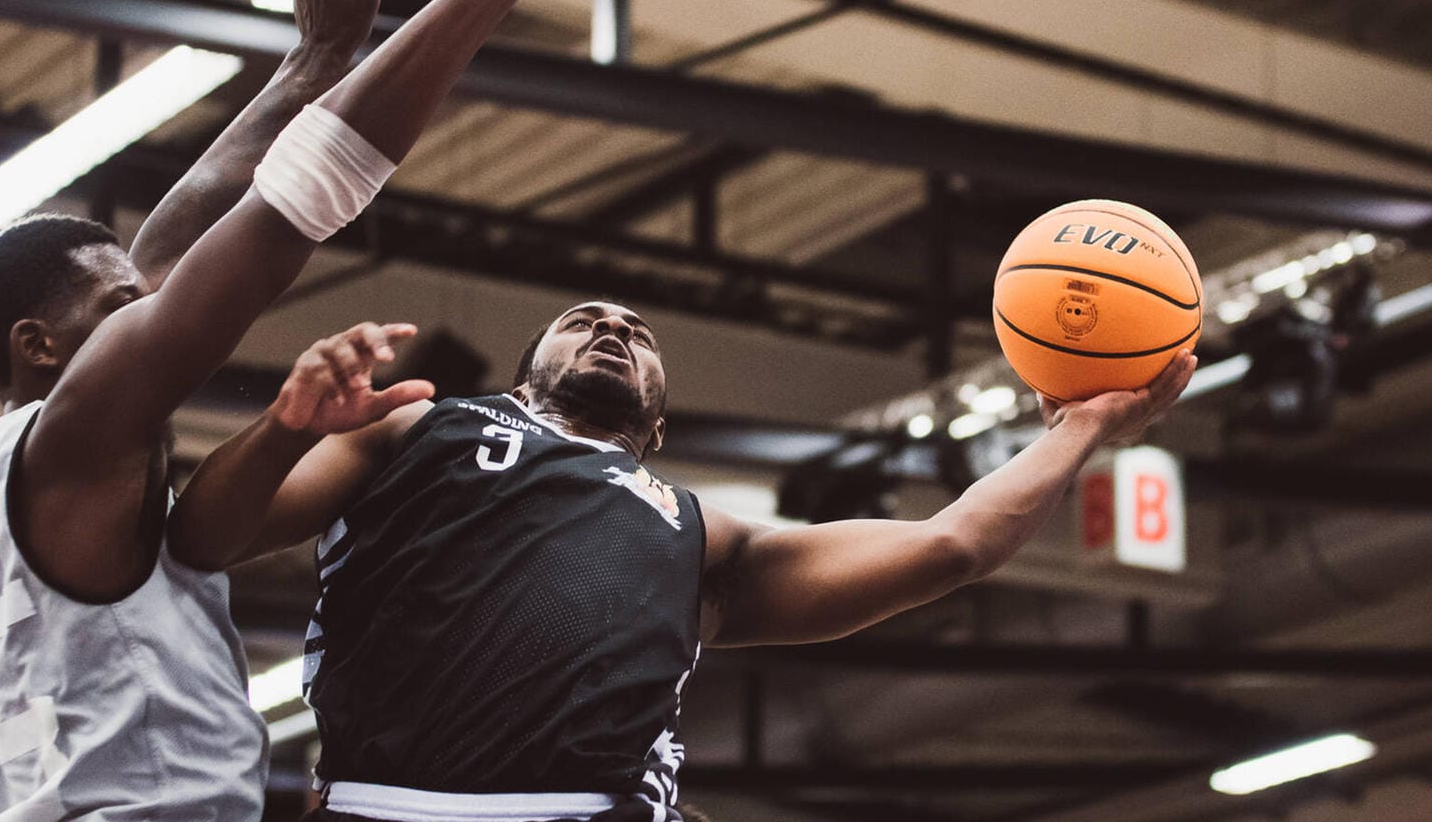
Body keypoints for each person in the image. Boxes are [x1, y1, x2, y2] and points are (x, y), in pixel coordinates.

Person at [0, 0, 640, 820]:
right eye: (116, 307)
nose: (146, 312)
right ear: (39, 344)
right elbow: (284, 212)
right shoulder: (73, 438)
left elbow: (183, 233)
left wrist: (312, 55)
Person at [172, 299, 1196, 822]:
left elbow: (954, 542)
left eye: (636, 332)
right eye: (584, 322)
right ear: (530, 379)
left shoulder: (705, 532)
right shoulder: (420, 426)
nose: (613, 325)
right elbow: (198, 538)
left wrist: (1082, 426)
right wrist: (281, 425)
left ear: (656, 425)